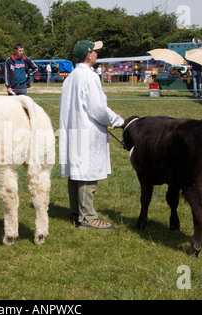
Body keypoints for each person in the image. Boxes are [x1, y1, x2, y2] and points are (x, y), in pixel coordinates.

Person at [59, 40, 124, 231]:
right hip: (88, 131)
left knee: (76, 173)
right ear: (88, 55)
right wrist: (118, 121)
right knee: (87, 173)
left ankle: (75, 212)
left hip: (74, 129)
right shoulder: (89, 76)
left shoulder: (70, 77)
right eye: (95, 51)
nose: (97, 54)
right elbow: (98, 109)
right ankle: (87, 217)